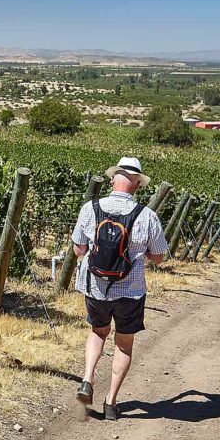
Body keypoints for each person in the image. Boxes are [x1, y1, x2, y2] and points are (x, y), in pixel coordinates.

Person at [70, 157, 168, 421]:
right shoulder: (147, 216)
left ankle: (87, 379)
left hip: (95, 287)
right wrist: (140, 254)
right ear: (136, 184)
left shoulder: (90, 208)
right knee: (124, 344)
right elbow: (159, 256)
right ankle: (111, 403)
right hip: (131, 290)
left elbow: (79, 249)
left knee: (98, 332)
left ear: (114, 179)